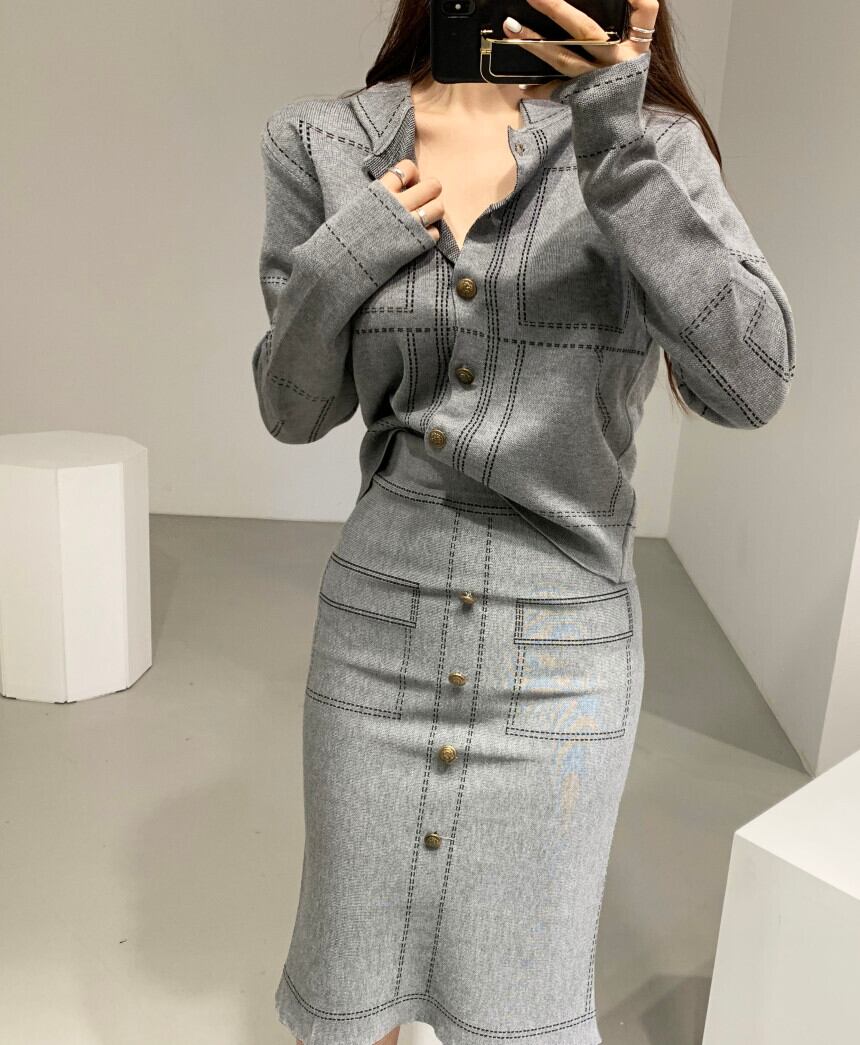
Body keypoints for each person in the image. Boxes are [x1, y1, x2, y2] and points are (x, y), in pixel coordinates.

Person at [251, 1, 796, 1042]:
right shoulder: (320, 140)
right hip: (372, 646)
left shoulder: (651, 144)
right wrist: (347, 252)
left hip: (563, 661)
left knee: (520, 1009)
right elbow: (291, 407)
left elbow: (751, 381)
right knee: (353, 994)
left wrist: (617, 150)